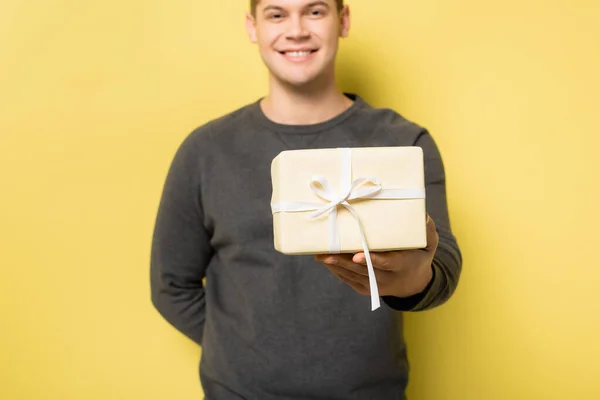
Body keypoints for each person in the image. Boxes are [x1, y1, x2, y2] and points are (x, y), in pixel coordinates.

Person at [150, 0, 462, 399]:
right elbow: (171, 283)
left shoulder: (402, 141)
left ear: (343, 20)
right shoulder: (206, 149)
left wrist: (415, 279)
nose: (296, 30)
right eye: (276, 14)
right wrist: (236, 353)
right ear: (253, 27)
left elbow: (445, 264)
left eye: (314, 11)